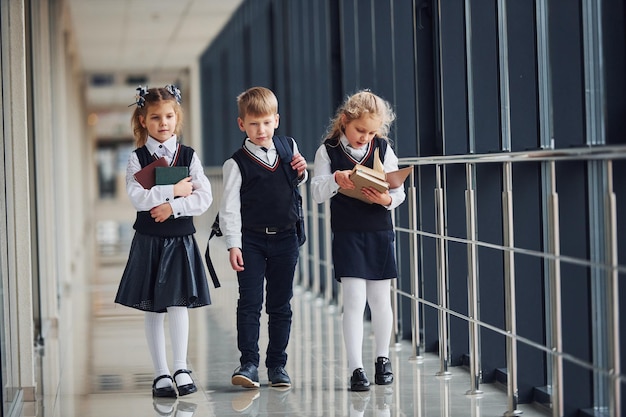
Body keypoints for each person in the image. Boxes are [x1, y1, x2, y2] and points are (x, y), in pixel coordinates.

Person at [115, 85, 213, 398]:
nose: (163, 122)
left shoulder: (189, 156)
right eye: (155, 117)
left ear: (177, 118)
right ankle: (160, 373)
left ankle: (181, 367)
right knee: (154, 309)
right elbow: (137, 198)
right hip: (150, 240)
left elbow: (205, 198)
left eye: (169, 116)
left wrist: (173, 206)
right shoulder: (137, 158)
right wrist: (175, 191)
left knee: (178, 303)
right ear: (143, 120)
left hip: (180, 238)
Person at [310, 90, 405, 391]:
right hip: (348, 233)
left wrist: (385, 197)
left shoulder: (383, 148)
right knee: (353, 300)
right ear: (344, 122)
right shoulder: (328, 150)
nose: (364, 137)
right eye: (359, 130)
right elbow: (316, 192)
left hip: (379, 230)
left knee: (380, 299)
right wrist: (336, 180)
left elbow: (398, 191)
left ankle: (382, 359)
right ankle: (356, 367)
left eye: (371, 132)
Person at [220, 86, 307, 389]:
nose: (262, 130)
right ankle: (249, 363)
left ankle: (277, 365)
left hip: (286, 239)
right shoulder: (236, 163)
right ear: (241, 124)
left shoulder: (288, 147)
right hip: (252, 242)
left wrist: (302, 171)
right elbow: (229, 208)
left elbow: (296, 179)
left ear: (277, 120)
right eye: (254, 123)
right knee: (250, 303)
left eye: (267, 122)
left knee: (281, 304)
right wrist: (233, 244)